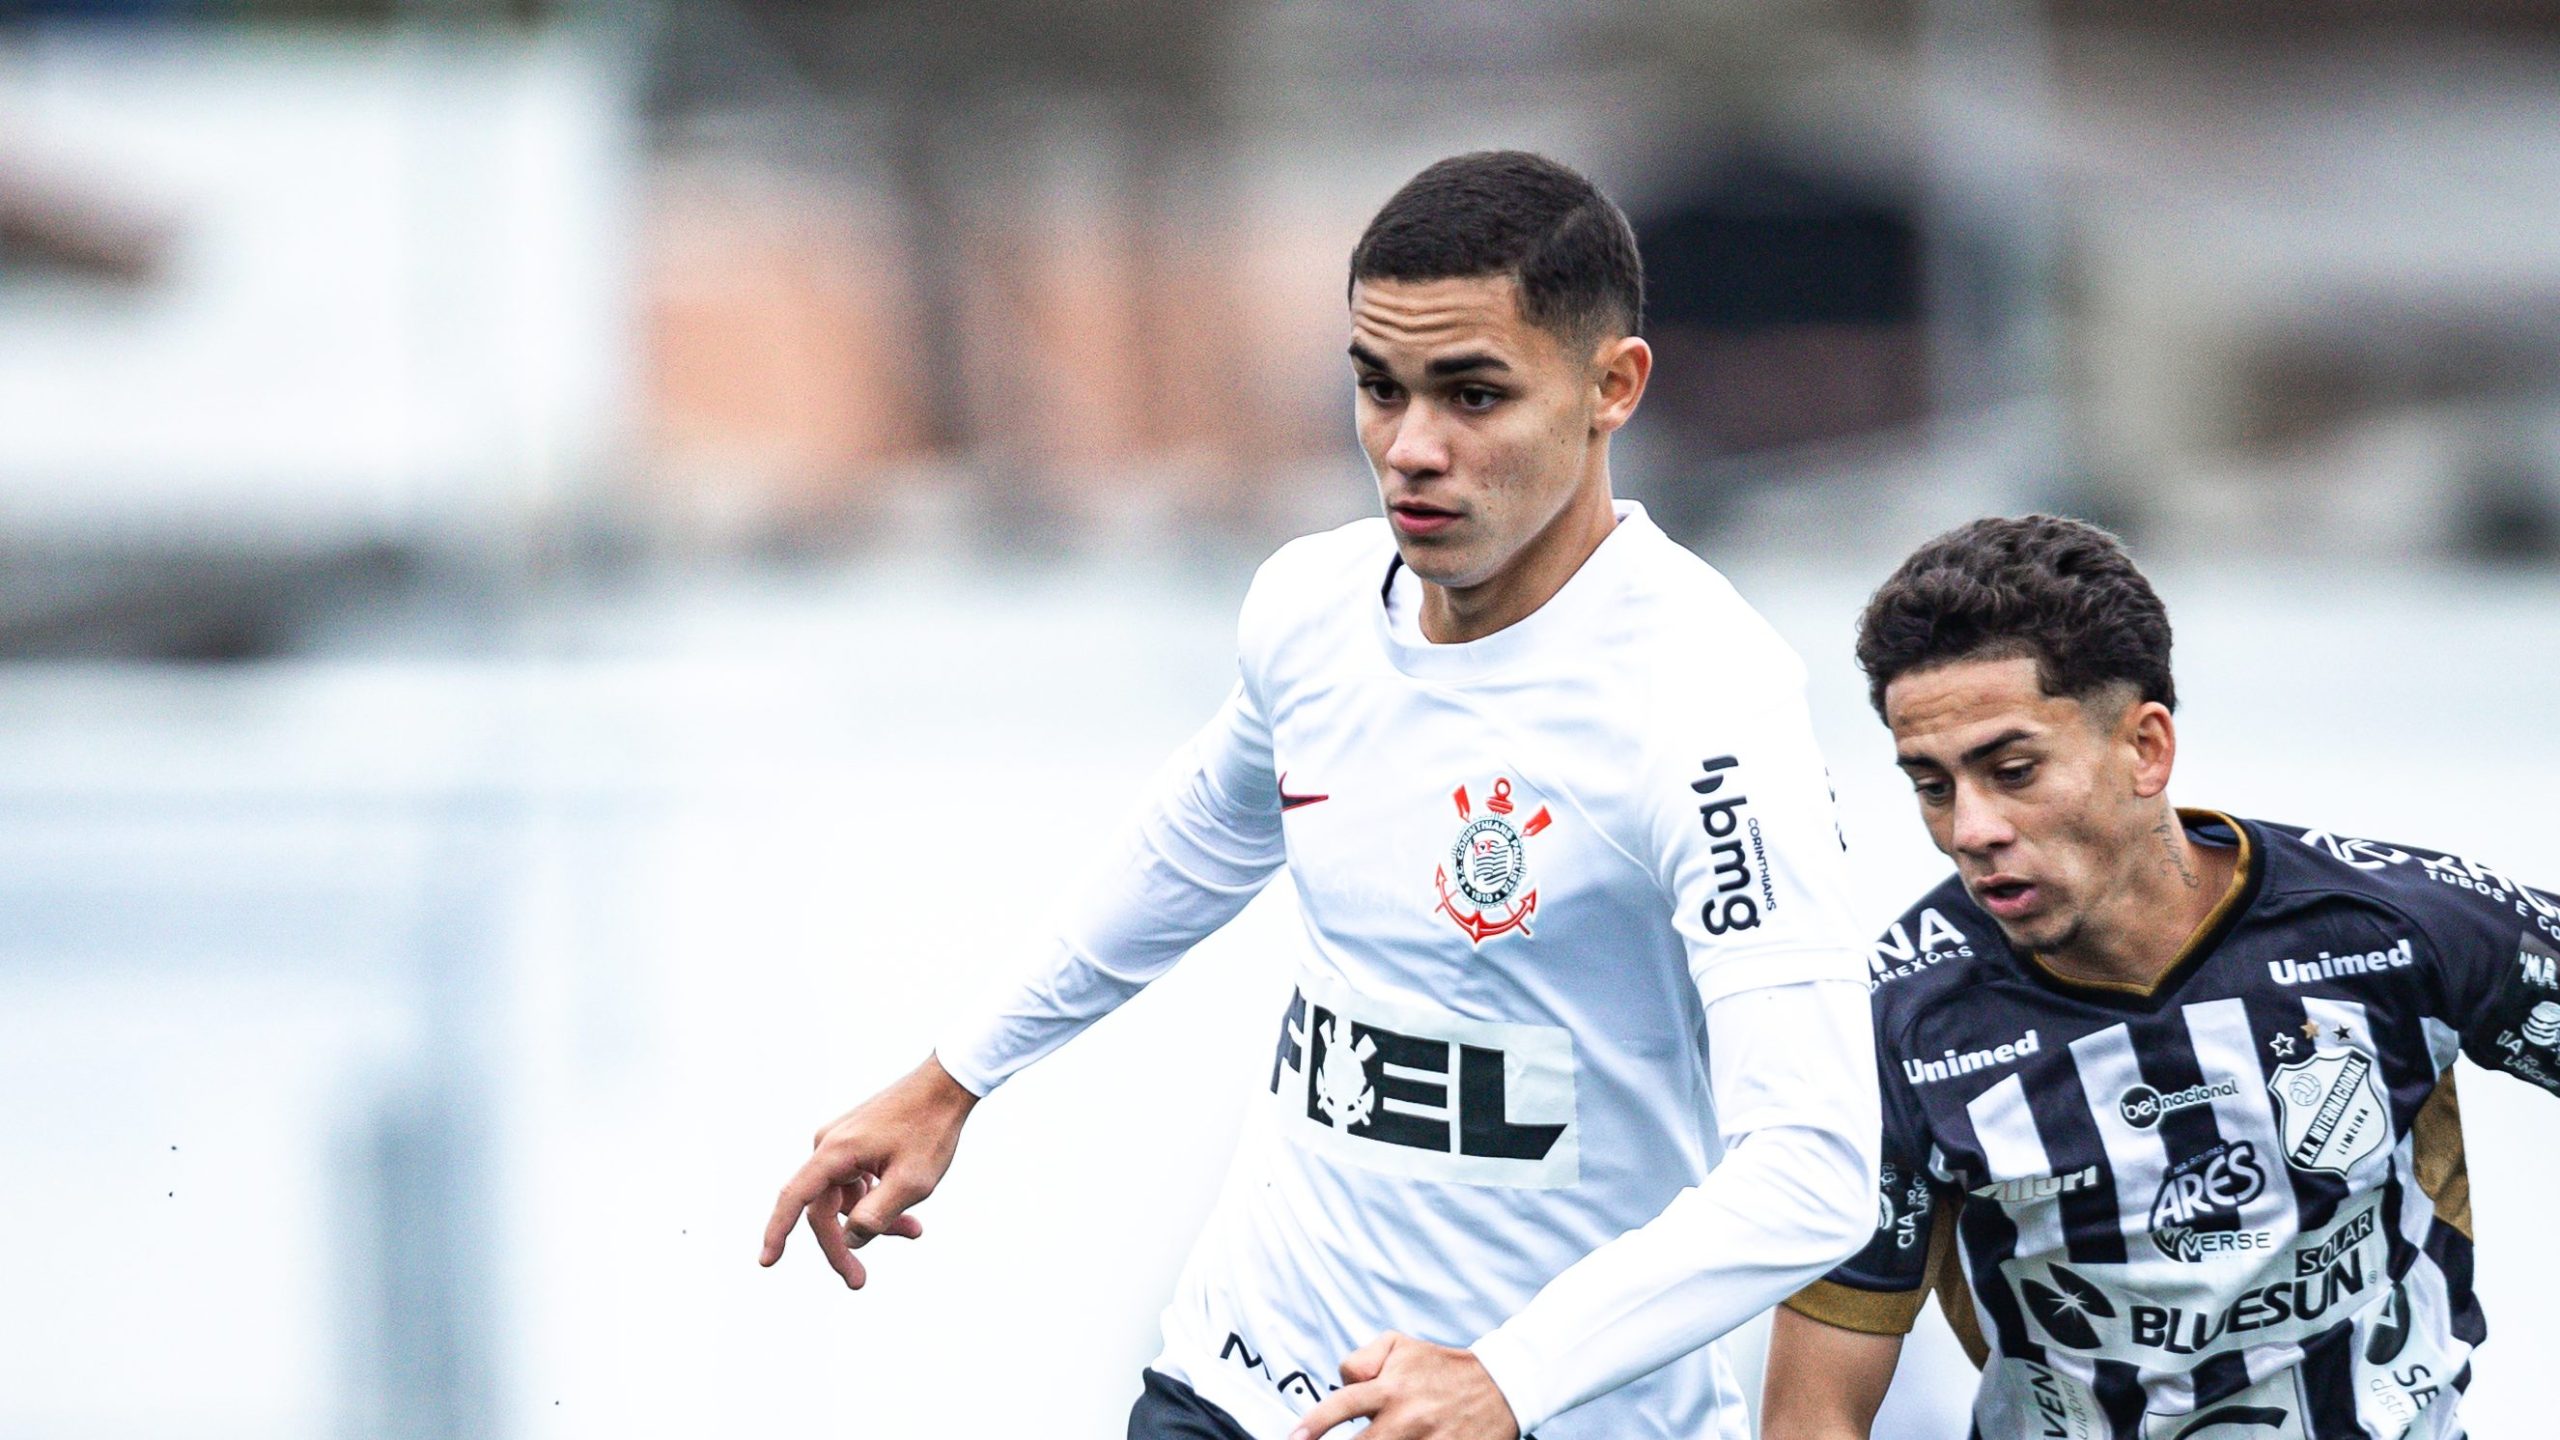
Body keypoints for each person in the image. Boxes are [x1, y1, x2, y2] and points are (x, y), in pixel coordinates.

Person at [759, 150, 1882, 1440]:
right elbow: (1195, 841)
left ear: (1610, 388)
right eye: (1377, 388)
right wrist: (954, 1076)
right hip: (1239, 1385)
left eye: (1472, 395)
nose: (1410, 449)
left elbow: (1812, 1172)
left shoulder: (1704, 707)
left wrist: (1508, 1376)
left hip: (1542, 1419)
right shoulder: (1311, 608)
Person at [1760, 514, 2560, 1439]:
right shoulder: (1895, 1031)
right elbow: (1813, 1413)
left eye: (2012, 770)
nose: (1970, 828)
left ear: (2146, 748)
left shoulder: (2400, 929)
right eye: (1932, 785)